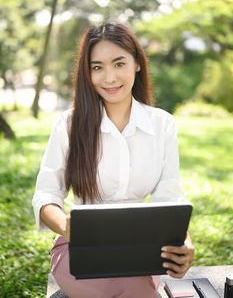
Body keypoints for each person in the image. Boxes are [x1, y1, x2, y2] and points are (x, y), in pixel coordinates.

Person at [32, 22, 194, 298]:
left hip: (140, 249)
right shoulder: (70, 124)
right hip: (79, 249)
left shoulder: (162, 124)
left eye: (119, 63)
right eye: (97, 67)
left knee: (133, 284)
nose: (109, 78)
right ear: (88, 72)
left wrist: (185, 244)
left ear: (137, 64)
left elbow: (170, 199)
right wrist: (66, 227)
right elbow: (46, 195)